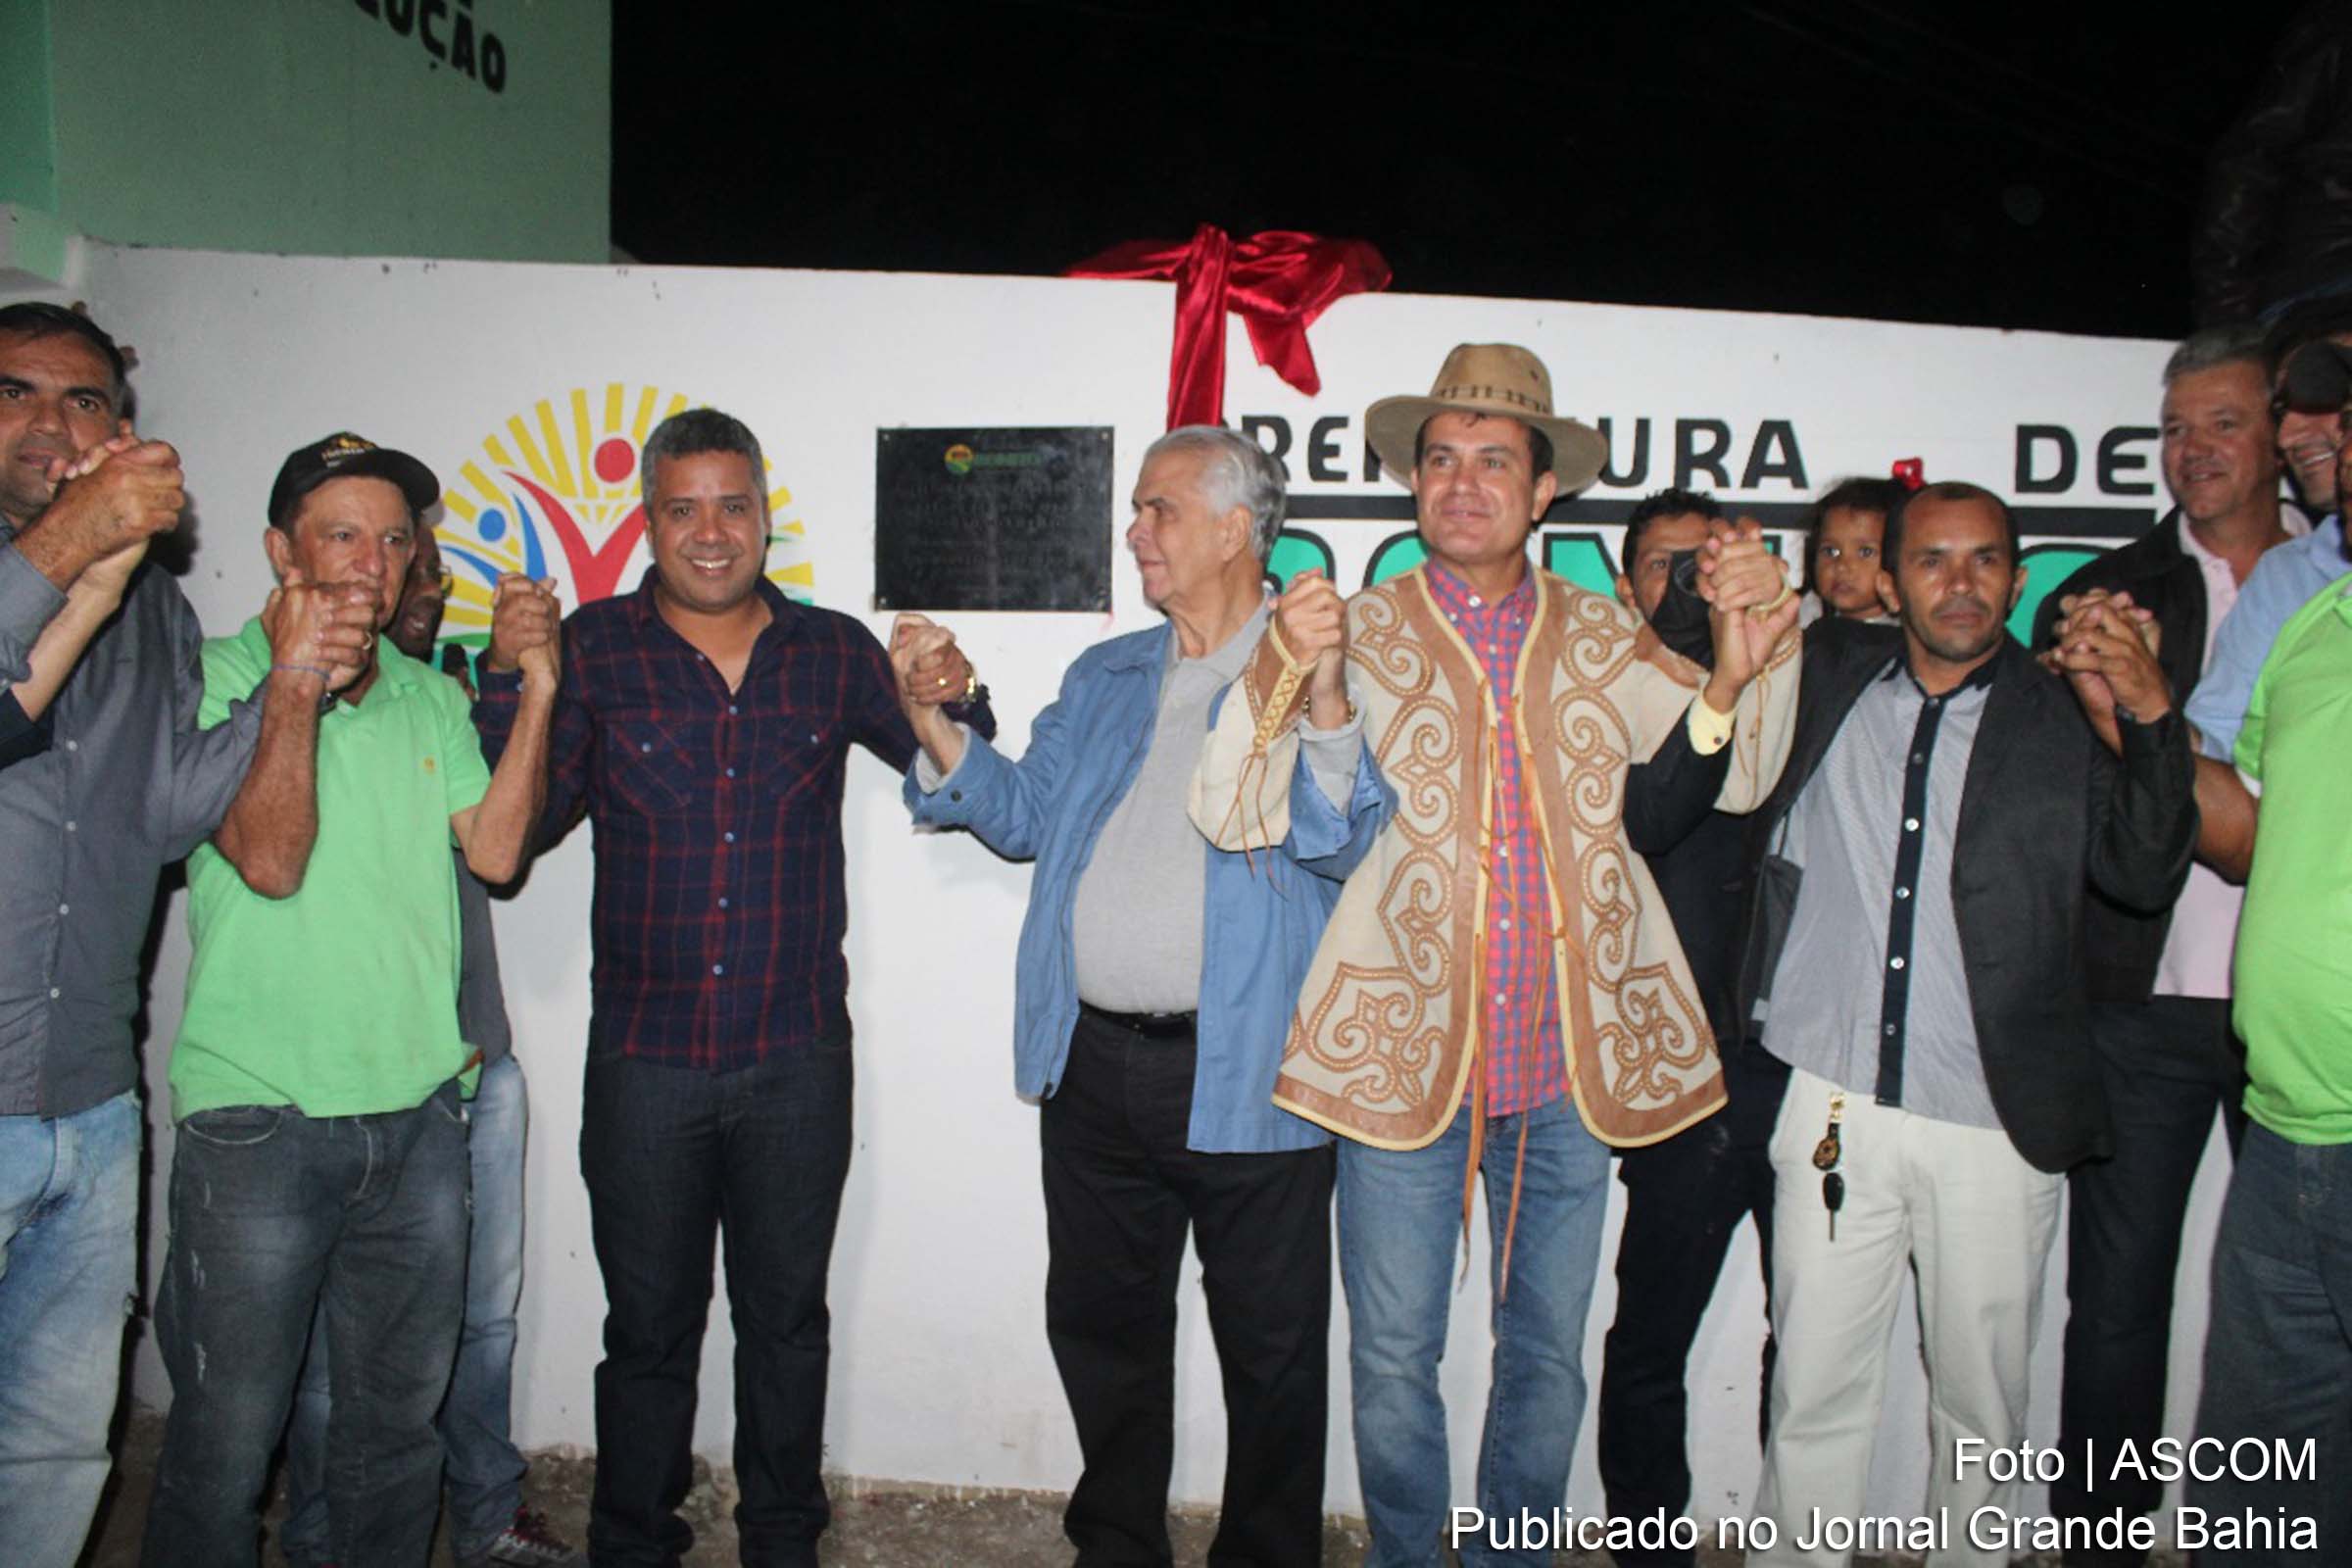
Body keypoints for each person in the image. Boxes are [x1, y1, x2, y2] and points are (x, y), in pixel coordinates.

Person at [1193, 342, 1801, 1567]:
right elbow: (1231, 806)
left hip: (1569, 1073)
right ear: (1414, 486)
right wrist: (1283, 664)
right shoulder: (1352, 627)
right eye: (1441, 461)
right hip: (1403, 1066)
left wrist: (1756, 634)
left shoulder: (1602, 633)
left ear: (1542, 494)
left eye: (1495, 462)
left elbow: (1736, 772)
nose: (1463, 483)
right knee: (1390, 1357)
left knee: (1544, 1352)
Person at [471, 407, 983, 1568]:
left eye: (733, 505)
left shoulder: (833, 650)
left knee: (787, 1326)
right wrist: (513, 677)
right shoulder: (594, 648)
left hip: (797, 1054)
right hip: (646, 1060)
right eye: (683, 508)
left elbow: (952, 770)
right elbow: (529, 824)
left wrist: (949, 687)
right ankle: (633, 1540)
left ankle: (783, 1541)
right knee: (647, 1332)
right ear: (648, 520)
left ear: (764, 513)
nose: (712, 531)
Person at [890, 425, 1340, 1566]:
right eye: (1136, 509)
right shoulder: (1108, 674)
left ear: (1238, 528)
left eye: (1160, 510)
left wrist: (1323, 697)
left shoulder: (1317, 663)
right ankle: (1118, 1546)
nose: (1134, 531)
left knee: (1272, 1353)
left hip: (1252, 1072)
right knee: (1103, 1333)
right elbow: (1026, 811)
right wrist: (931, 721)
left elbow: (1345, 835)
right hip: (1092, 1066)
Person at [1742, 482, 2195, 1568]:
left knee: (1983, 1418)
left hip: (1996, 1112)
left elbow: (2142, 871)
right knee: (1811, 1390)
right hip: (1836, 1097)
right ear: (1887, 582)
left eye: (1986, 558)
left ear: (2018, 576)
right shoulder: (1827, 680)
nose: (1961, 582)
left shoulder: (2064, 715)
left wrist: (2148, 714)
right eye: (1934, 560)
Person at [140, 432, 558, 1568]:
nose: (374, 562)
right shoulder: (214, 676)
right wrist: (292, 679)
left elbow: (500, 853)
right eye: (342, 535)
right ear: (281, 551)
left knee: (391, 1443)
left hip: (419, 1118)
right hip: (258, 1124)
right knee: (226, 1447)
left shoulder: (427, 696)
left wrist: (538, 692)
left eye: (394, 538)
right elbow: (270, 858)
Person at [0, 303, 342, 1568]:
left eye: (82, 400)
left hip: (89, 1108)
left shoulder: (145, 610)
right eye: (19, 393)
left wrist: (289, 676)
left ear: (120, 428)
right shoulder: (74, 569)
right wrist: (70, 549)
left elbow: (164, 815)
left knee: (54, 1446)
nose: (52, 423)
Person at [2030, 325, 2292, 1563]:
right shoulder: (2109, 589)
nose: (2195, 450)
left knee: (2304, 1309)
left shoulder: (2327, 590)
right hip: (2139, 997)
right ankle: (2102, 1540)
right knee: (2120, 1303)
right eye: (2177, 427)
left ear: (2285, 431)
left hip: (2300, 1007)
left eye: (2223, 422)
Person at [278, 526, 580, 1567]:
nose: (401, 581)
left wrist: (510, 668)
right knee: (332, 1354)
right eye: (364, 551)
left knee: (484, 1321)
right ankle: (319, 1533)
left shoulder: (449, 699)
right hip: (350, 1076)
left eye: (416, 563)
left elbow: (510, 829)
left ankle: (487, 1513)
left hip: (475, 1062)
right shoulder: (295, 689)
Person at [2169, 357, 2352, 1549]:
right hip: (2290, 1129)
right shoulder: (2307, 611)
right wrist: (2137, 712)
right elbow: (2234, 835)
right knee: (2261, 1505)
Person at [1593, 487, 1793, 1565]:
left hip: (1811, 1063)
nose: (1684, 584)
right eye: (1662, 565)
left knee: (1811, 1340)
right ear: (1627, 583)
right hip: (1684, 1066)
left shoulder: (1803, 664)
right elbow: (1660, 811)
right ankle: (1646, 1548)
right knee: (1649, 1341)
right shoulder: (1603, 688)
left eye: (1704, 564)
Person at [2183, 332, 2352, 760]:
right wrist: (2134, 702)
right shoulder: (2285, 575)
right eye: (2282, 412)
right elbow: (2216, 754)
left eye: (2329, 405)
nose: (2288, 436)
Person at [1798, 477, 1901, 625]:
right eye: (1831, 551)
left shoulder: (1916, 636)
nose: (1841, 566)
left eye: (1865, 552)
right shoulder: (1801, 619)